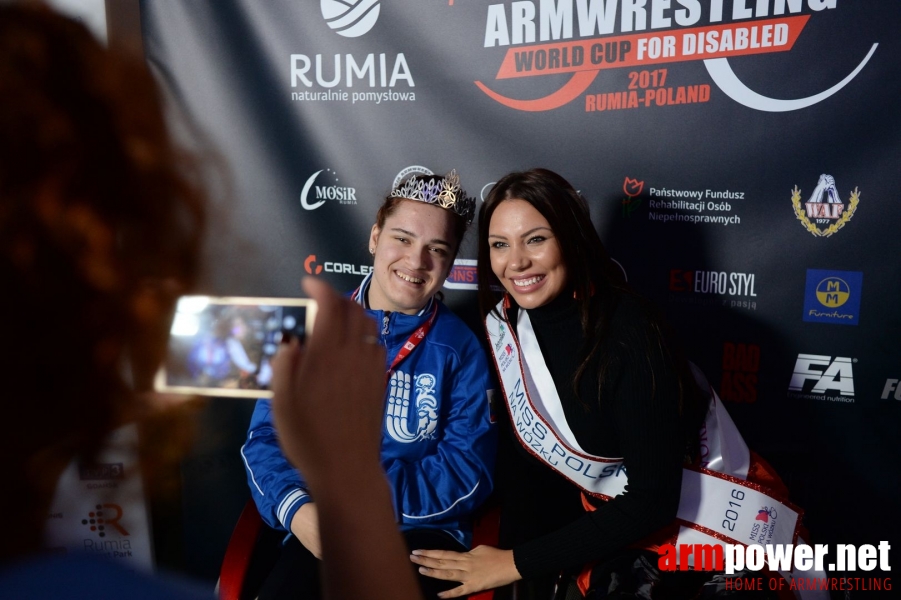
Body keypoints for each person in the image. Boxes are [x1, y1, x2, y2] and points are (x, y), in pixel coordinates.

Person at [410, 169, 808, 599]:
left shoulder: (630, 328)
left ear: (572, 237)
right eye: (499, 245)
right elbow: (530, 477)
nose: (516, 262)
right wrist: (519, 570)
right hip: (578, 535)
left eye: (536, 239)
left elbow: (652, 501)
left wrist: (514, 564)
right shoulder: (502, 326)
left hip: (677, 536)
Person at [242, 171, 498, 599]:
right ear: (375, 237)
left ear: (451, 263)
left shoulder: (462, 349)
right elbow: (265, 438)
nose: (416, 262)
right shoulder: (307, 327)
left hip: (421, 536)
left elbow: (467, 470)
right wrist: (299, 511)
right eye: (402, 238)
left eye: (437, 249)